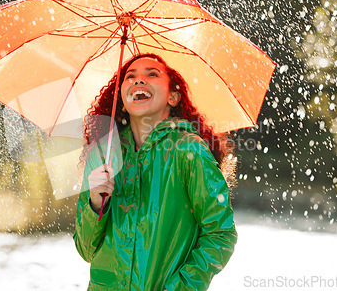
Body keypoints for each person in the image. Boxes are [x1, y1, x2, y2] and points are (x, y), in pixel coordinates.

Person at [73, 53, 237, 290]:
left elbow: (221, 234)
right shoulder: (104, 154)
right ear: (121, 97)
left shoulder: (188, 150)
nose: (139, 80)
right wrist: (96, 204)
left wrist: (180, 288)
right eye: (130, 76)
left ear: (173, 97)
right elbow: (86, 250)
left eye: (152, 74)